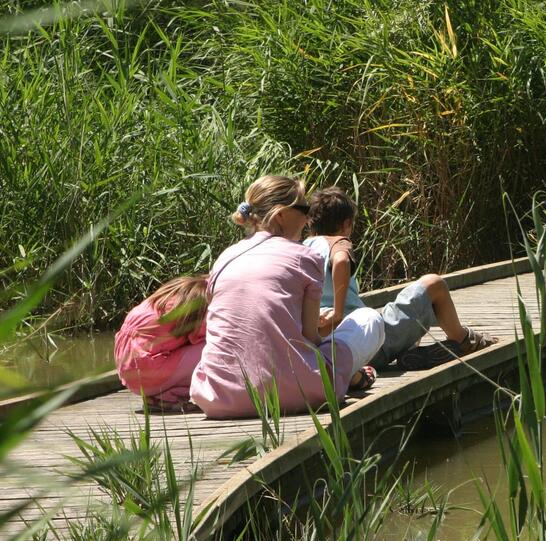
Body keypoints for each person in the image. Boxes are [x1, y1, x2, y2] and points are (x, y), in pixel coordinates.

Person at [189, 175, 385, 419]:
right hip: (300, 393)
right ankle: (351, 376)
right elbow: (310, 338)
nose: (307, 217)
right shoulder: (305, 258)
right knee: (369, 319)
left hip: (219, 397)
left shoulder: (224, 258)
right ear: (281, 214)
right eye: (303, 208)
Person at [303, 186, 497, 371]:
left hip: (327, 349)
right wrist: (337, 314)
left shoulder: (299, 249)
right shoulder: (335, 241)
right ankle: (464, 341)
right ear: (347, 224)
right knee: (433, 284)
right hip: (363, 341)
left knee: (397, 315)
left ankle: (410, 349)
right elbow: (341, 260)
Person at [114, 274, 208, 407]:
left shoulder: (162, 300)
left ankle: (160, 396)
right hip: (147, 376)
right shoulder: (193, 304)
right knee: (214, 347)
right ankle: (170, 396)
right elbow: (202, 336)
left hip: (130, 375)